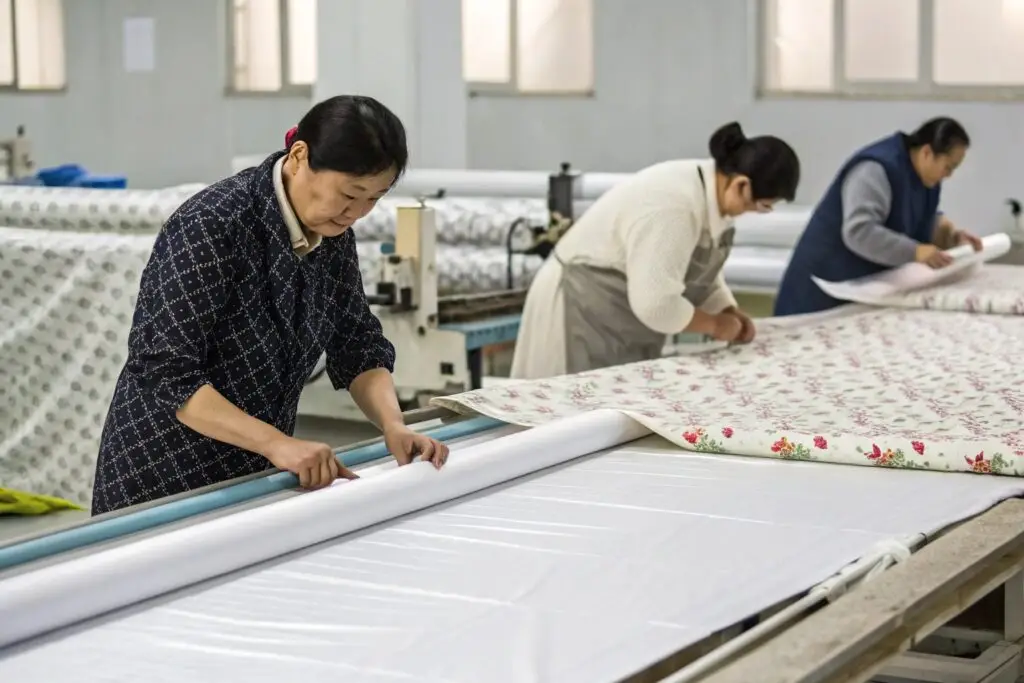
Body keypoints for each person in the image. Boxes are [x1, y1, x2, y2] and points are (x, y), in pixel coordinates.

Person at [91, 95, 449, 515]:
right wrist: (278, 444)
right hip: (165, 473)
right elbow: (167, 373)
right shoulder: (212, 224)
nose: (357, 213)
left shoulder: (332, 237)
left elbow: (356, 343)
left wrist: (394, 426)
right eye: (350, 194)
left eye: (374, 199)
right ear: (299, 157)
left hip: (255, 472)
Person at [510, 122, 801, 380]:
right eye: (763, 206)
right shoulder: (675, 207)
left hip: (615, 316)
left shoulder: (712, 196)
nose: (756, 212)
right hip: (582, 305)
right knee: (575, 408)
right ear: (741, 185)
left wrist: (726, 309)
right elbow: (656, 305)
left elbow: (696, 270)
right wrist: (714, 325)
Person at [774, 117, 982, 317]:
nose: (949, 175)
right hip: (822, 288)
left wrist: (951, 235)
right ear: (927, 152)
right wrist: (916, 252)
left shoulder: (926, 180)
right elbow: (860, 232)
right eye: (948, 167)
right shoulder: (875, 169)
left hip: (861, 290)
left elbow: (915, 218)